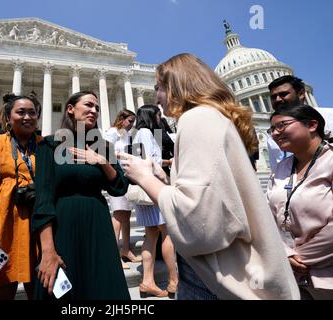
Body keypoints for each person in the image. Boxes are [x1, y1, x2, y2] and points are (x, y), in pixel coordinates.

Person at [119, 53, 299, 299]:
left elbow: (198, 220)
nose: (156, 96)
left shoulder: (196, 119)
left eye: (158, 88)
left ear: (176, 86)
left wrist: (144, 177)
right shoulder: (212, 117)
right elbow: (212, 197)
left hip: (214, 276)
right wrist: (167, 182)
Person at [33, 91, 130, 300]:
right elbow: (43, 200)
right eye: (88, 105)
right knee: (63, 290)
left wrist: (101, 161)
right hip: (63, 225)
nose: (94, 111)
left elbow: (119, 187)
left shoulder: (103, 147)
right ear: (70, 109)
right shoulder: (50, 145)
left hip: (98, 225)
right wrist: (47, 250)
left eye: (97, 108)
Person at [0, 92, 42, 300]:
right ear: (8, 116)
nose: (27, 117)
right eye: (20, 112)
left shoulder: (44, 146)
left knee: (40, 285)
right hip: (5, 224)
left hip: (38, 224)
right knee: (4, 285)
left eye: (32, 113)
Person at [266, 104, 333, 300]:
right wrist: (285, 254)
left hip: (325, 274)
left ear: (312, 125)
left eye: (282, 126)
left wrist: (302, 259)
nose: (275, 134)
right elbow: (268, 217)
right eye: (272, 130)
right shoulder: (281, 169)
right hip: (291, 276)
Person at [131, 105, 178, 298]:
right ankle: (174, 280)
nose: (160, 118)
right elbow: (152, 162)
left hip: (144, 188)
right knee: (166, 232)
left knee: (151, 235)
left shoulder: (138, 133)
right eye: (158, 115)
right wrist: (166, 179)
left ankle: (147, 282)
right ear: (151, 115)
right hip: (153, 187)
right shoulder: (145, 133)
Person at [104, 109, 141, 270]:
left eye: (133, 121)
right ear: (121, 119)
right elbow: (104, 151)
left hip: (127, 176)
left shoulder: (127, 135)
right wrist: (123, 156)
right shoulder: (112, 132)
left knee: (126, 215)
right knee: (118, 214)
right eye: (129, 121)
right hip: (116, 177)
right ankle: (113, 255)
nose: (131, 124)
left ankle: (126, 249)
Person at [267, 76, 306, 172]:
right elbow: (275, 167)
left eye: (283, 94)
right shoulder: (272, 136)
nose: (278, 99)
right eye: (273, 97)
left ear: (301, 94)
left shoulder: (329, 118)